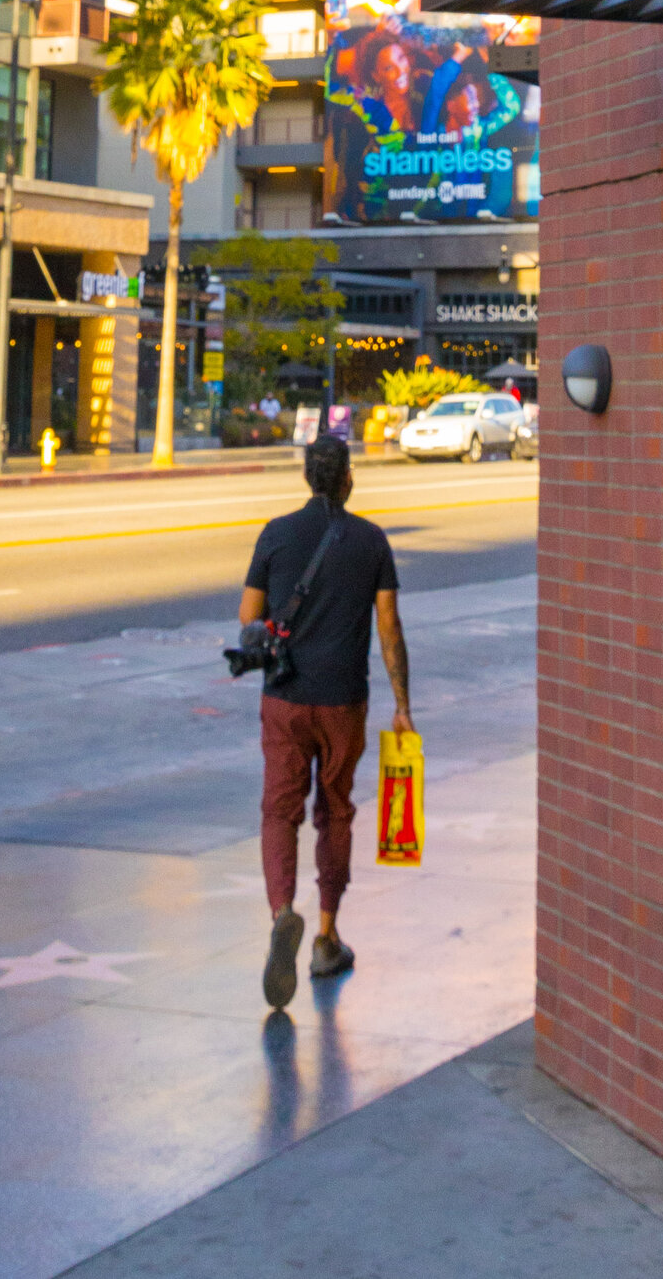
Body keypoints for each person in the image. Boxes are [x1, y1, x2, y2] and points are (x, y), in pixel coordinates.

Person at [241, 430, 411, 1010]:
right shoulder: (370, 540)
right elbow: (388, 625)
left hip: (285, 699)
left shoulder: (276, 533)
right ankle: (326, 936)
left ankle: (282, 911)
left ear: (307, 477)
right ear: (348, 478)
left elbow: (249, 617)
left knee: (278, 810)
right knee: (334, 810)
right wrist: (403, 704)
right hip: (343, 699)